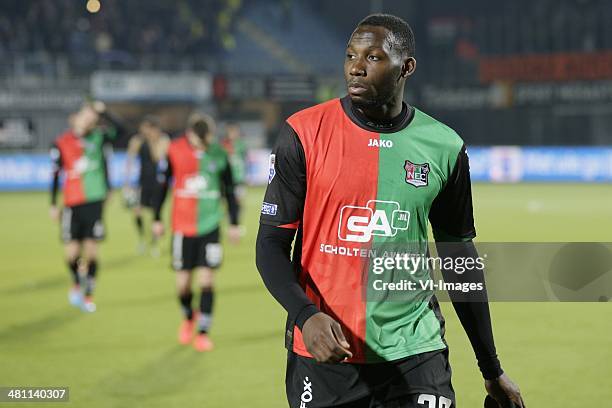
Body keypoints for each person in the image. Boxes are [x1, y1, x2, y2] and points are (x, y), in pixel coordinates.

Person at [256, 14, 525, 408]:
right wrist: (305, 315)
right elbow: (270, 245)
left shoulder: (444, 146)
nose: (356, 67)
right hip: (326, 354)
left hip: (417, 352)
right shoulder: (303, 133)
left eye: (374, 57)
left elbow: (459, 259)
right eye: (350, 55)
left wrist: (491, 368)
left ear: (406, 67)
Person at [153, 114, 242, 352]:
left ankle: (203, 332)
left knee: (206, 281)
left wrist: (234, 223)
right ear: (189, 133)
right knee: (182, 285)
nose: (202, 144)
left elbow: (230, 192)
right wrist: (156, 218)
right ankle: (188, 316)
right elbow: (162, 186)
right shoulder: (174, 151)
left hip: (211, 226)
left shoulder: (220, 154)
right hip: (182, 228)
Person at [50, 101, 122, 313]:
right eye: (84, 115)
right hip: (71, 203)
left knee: (91, 252)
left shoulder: (99, 138)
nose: (87, 120)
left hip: (94, 201)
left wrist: (104, 111)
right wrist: (53, 203)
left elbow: (123, 132)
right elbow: (54, 175)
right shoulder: (61, 143)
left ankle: (89, 294)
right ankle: (75, 280)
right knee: (71, 254)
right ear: (74, 118)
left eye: (91, 117)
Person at [123, 115, 170, 256]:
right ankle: (142, 238)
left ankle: (155, 243)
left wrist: (152, 141)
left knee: (156, 214)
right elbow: (130, 159)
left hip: (158, 182)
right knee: (137, 210)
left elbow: (158, 157)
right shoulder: (138, 141)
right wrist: (127, 182)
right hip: (142, 182)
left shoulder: (162, 140)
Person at [220, 122, 249, 206]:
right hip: (229, 177)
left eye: (235, 132)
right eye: (231, 132)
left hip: (239, 177)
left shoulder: (241, 144)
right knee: (228, 200)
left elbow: (244, 159)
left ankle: (236, 215)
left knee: (239, 200)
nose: (233, 134)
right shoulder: (224, 144)